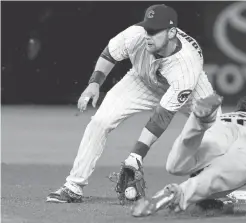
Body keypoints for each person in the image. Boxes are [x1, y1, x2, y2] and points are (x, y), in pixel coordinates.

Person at [46, 4, 218, 203]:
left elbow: (162, 116)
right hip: (142, 80)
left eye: (154, 32)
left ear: (172, 33)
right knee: (100, 121)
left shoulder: (187, 67)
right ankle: (73, 186)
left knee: (216, 129)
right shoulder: (135, 35)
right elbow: (109, 54)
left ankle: (217, 189)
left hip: (192, 91)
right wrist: (94, 84)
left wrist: (136, 155)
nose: (148, 35)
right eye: (147, 29)